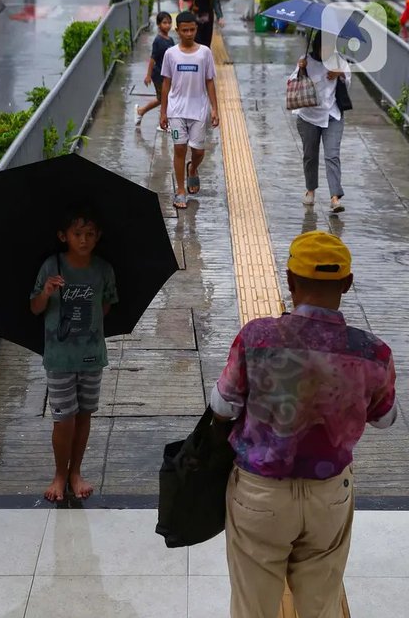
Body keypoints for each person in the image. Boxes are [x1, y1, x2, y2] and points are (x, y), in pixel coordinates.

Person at [210, 230, 397, 618]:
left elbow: (222, 405)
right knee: (321, 605)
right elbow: (385, 419)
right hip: (329, 495)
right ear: (347, 283)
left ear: (290, 281)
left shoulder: (257, 337)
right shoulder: (373, 351)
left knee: (253, 608)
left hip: (260, 494)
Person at [30, 205, 118, 502]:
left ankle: (76, 472)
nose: (83, 240)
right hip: (59, 357)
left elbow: (106, 307)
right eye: (77, 234)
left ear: (98, 236)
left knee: (83, 414)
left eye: (89, 234)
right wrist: (46, 293)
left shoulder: (104, 269)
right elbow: (35, 308)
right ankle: (59, 474)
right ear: (63, 236)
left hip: (92, 355)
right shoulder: (51, 267)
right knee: (63, 418)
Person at [160, 10, 219, 209]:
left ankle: (192, 168)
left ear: (196, 29)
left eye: (192, 30)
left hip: (199, 110)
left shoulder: (205, 53)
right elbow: (166, 84)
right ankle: (180, 191)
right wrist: (163, 112)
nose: (188, 33)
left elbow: (210, 81)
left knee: (199, 151)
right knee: (179, 148)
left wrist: (214, 109)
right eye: (184, 30)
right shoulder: (170, 54)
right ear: (178, 30)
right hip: (176, 111)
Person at [290, 31, 351, 213]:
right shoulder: (306, 59)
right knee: (310, 156)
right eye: (323, 47)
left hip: (332, 115)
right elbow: (292, 82)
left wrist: (340, 74)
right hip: (309, 116)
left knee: (332, 155)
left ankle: (335, 197)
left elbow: (348, 83)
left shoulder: (338, 60)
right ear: (316, 46)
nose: (326, 50)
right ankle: (310, 190)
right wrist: (300, 69)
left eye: (329, 47)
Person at [134, 11, 174, 131]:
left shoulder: (170, 40)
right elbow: (152, 59)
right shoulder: (158, 40)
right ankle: (163, 123)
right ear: (158, 24)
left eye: (169, 22)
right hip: (158, 75)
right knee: (164, 98)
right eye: (164, 23)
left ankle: (141, 111)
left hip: (168, 75)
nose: (167, 25)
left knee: (161, 99)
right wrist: (148, 75)